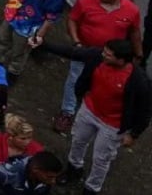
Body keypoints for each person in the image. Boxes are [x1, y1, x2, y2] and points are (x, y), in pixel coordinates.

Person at [45, 39, 151, 193]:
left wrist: (133, 134)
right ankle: (74, 169)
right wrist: (43, 43)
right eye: (104, 52)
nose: (103, 55)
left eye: (108, 55)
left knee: (101, 159)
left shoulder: (139, 80)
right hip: (89, 110)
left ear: (121, 60)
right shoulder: (97, 57)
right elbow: (73, 53)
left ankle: (92, 188)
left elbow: (145, 111)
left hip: (113, 125)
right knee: (77, 141)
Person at [52, 0, 144, 135]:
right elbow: (72, 19)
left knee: (102, 83)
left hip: (110, 58)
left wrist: (138, 53)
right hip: (85, 50)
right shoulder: (86, 0)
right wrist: (76, 42)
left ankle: (93, 114)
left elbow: (134, 32)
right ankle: (67, 112)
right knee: (74, 79)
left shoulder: (131, 10)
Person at [0, 151, 65, 195]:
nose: (53, 182)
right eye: (50, 177)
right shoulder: (9, 172)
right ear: (36, 170)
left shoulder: (44, 181)